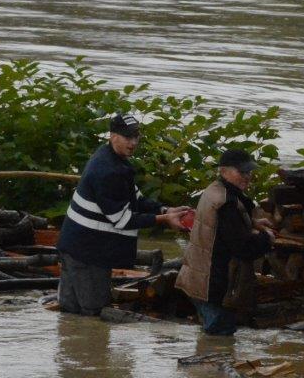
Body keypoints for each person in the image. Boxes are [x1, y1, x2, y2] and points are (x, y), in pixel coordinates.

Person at [56, 113, 189, 316]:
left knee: (70, 313)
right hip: (88, 254)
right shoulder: (108, 171)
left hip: (74, 246)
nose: (133, 142)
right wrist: (163, 220)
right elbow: (122, 220)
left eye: (136, 137)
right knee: (94, 313)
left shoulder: (113, 159)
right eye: (128, 137)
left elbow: (135, 199)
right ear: (112, 136)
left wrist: (164, 210)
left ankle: (74, 347)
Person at [176, 149, 275, 336]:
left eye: (249, 172)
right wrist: (267, 239)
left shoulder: (214, 190)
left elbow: (219, 227)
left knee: (211, 342)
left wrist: (251, 223)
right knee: (220, 344)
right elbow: (244, 248)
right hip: (214, 285)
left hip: (199, 280)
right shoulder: (227, 203)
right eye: (242, 172)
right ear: (223, 171)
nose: (247, 176)